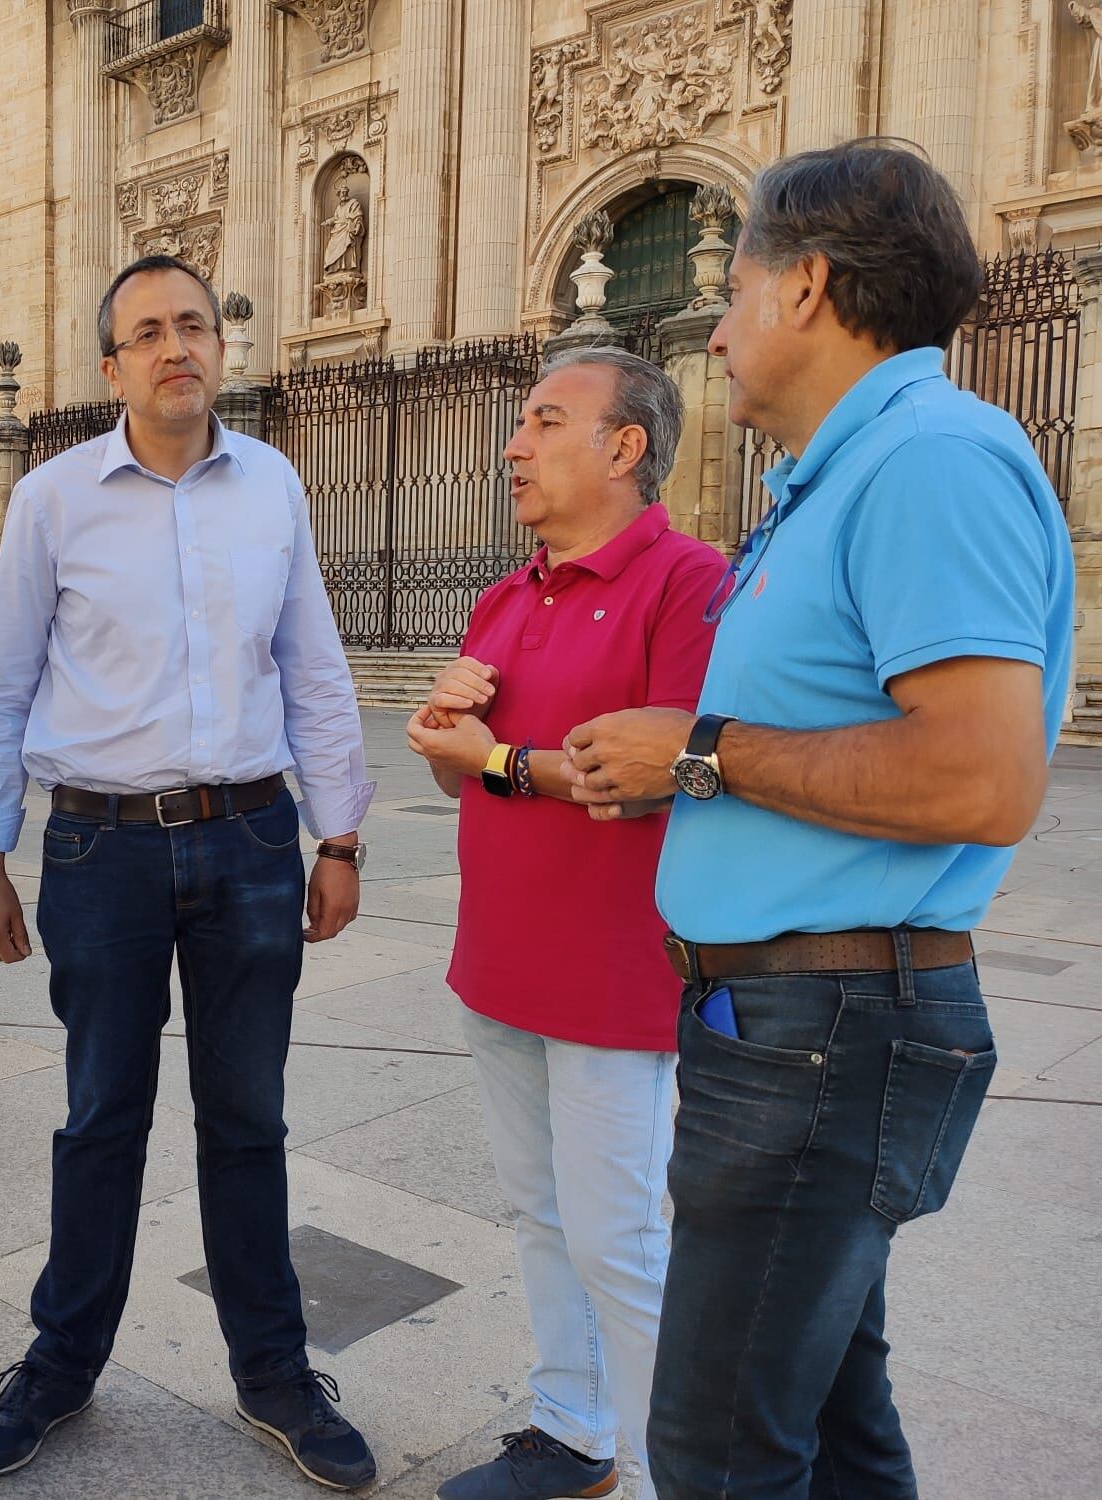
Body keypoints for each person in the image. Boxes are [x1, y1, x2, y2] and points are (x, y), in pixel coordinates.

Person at [566, 140, 1073, 1499]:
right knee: (835, 1432)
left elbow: (983, 779)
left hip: (826, 1034)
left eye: (730, 294)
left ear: (810, 288)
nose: (714, 333)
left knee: (720, 1450)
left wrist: (708, 752)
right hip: (796, 1031)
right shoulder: (845, 475)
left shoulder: (930, 463)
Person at [0, 254, 378, 1491]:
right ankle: (60, 1362)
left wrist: (338, 835)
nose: (173, 346)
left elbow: (312, 667)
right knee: (101, 1119)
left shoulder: (273, 489)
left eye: (191, 324)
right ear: (111, 367)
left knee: (247, 1121)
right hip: (97, 847)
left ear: (219, 347)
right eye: (144, 333)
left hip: (251, 838)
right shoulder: (49, 501)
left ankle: (274, 1375)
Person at [406, 347, 723, 1500]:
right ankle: (570, 1429)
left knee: (620, 1241)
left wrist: (488, 758)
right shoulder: (502, 595)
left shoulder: (687, 583)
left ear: (623, 447)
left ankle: (663, 1473)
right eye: (518, 423)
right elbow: (467, 777)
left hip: (611, 974)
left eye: (544, 422)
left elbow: (646, 775)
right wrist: (451, 738)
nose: (512, 445)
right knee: (540, 1217)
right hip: (497, 962)